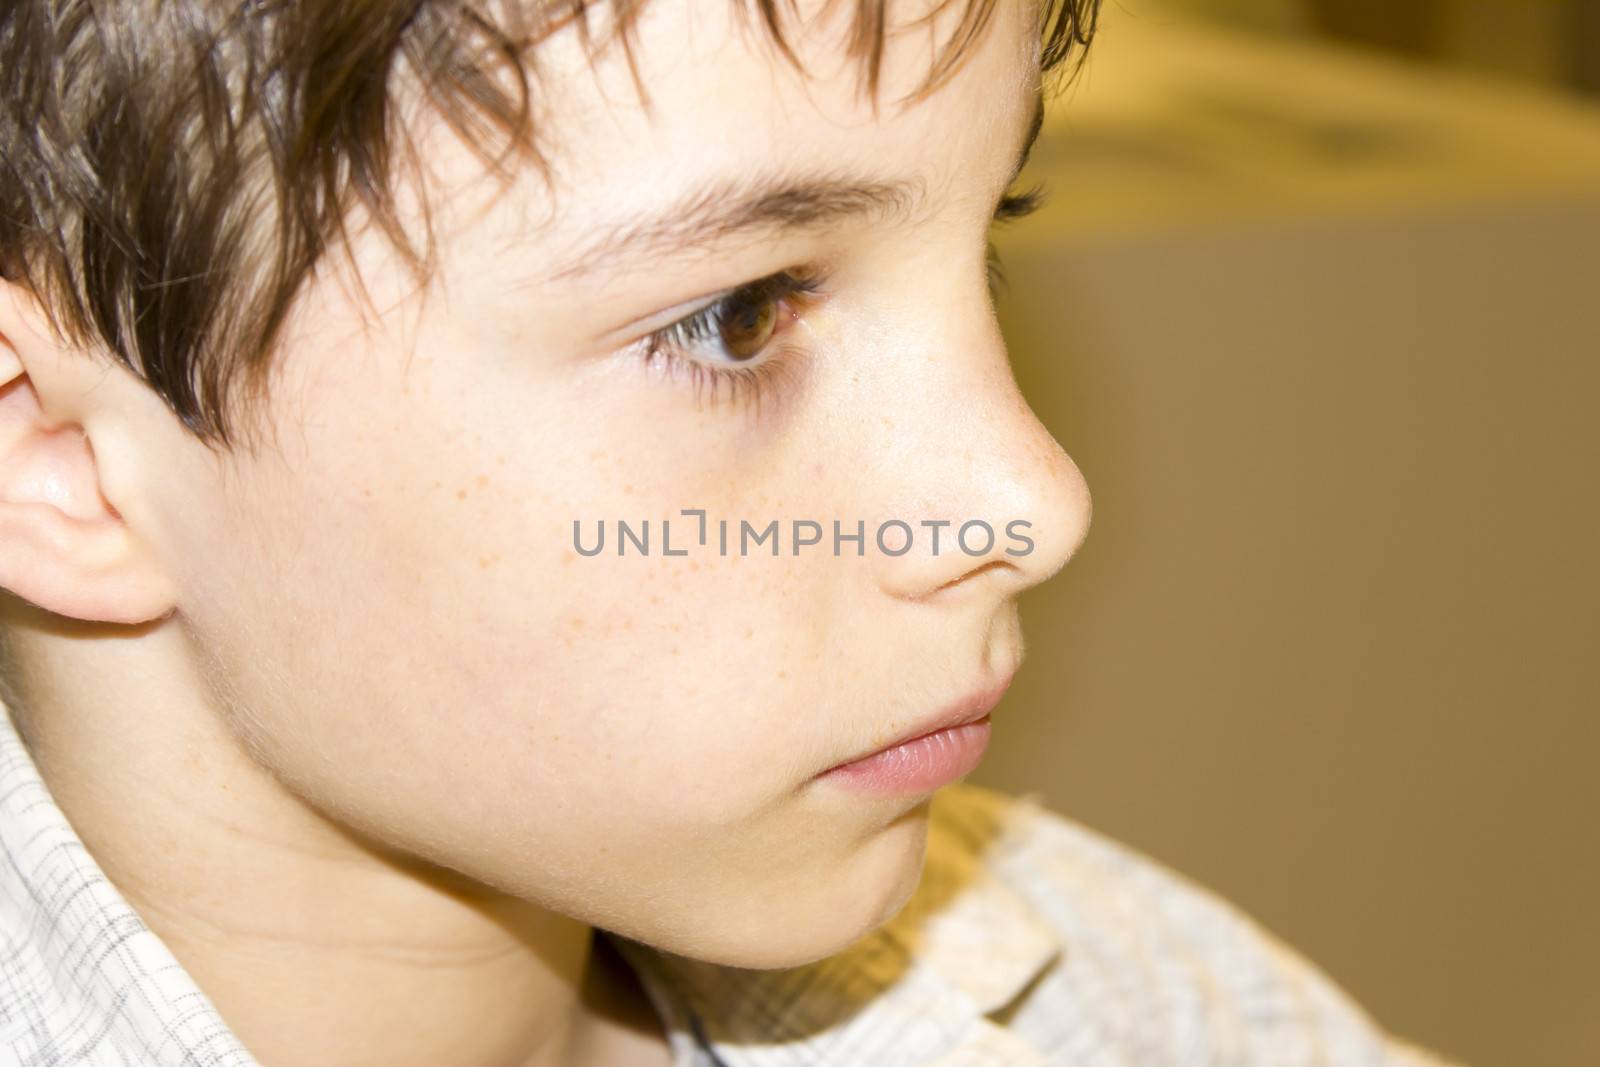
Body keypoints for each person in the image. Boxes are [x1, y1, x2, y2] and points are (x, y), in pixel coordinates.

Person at [0, 1, 1458, 1064]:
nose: (1032, 501)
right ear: (57, 460)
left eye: (992, 228)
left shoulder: (1119, 1001)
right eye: (737, 319)